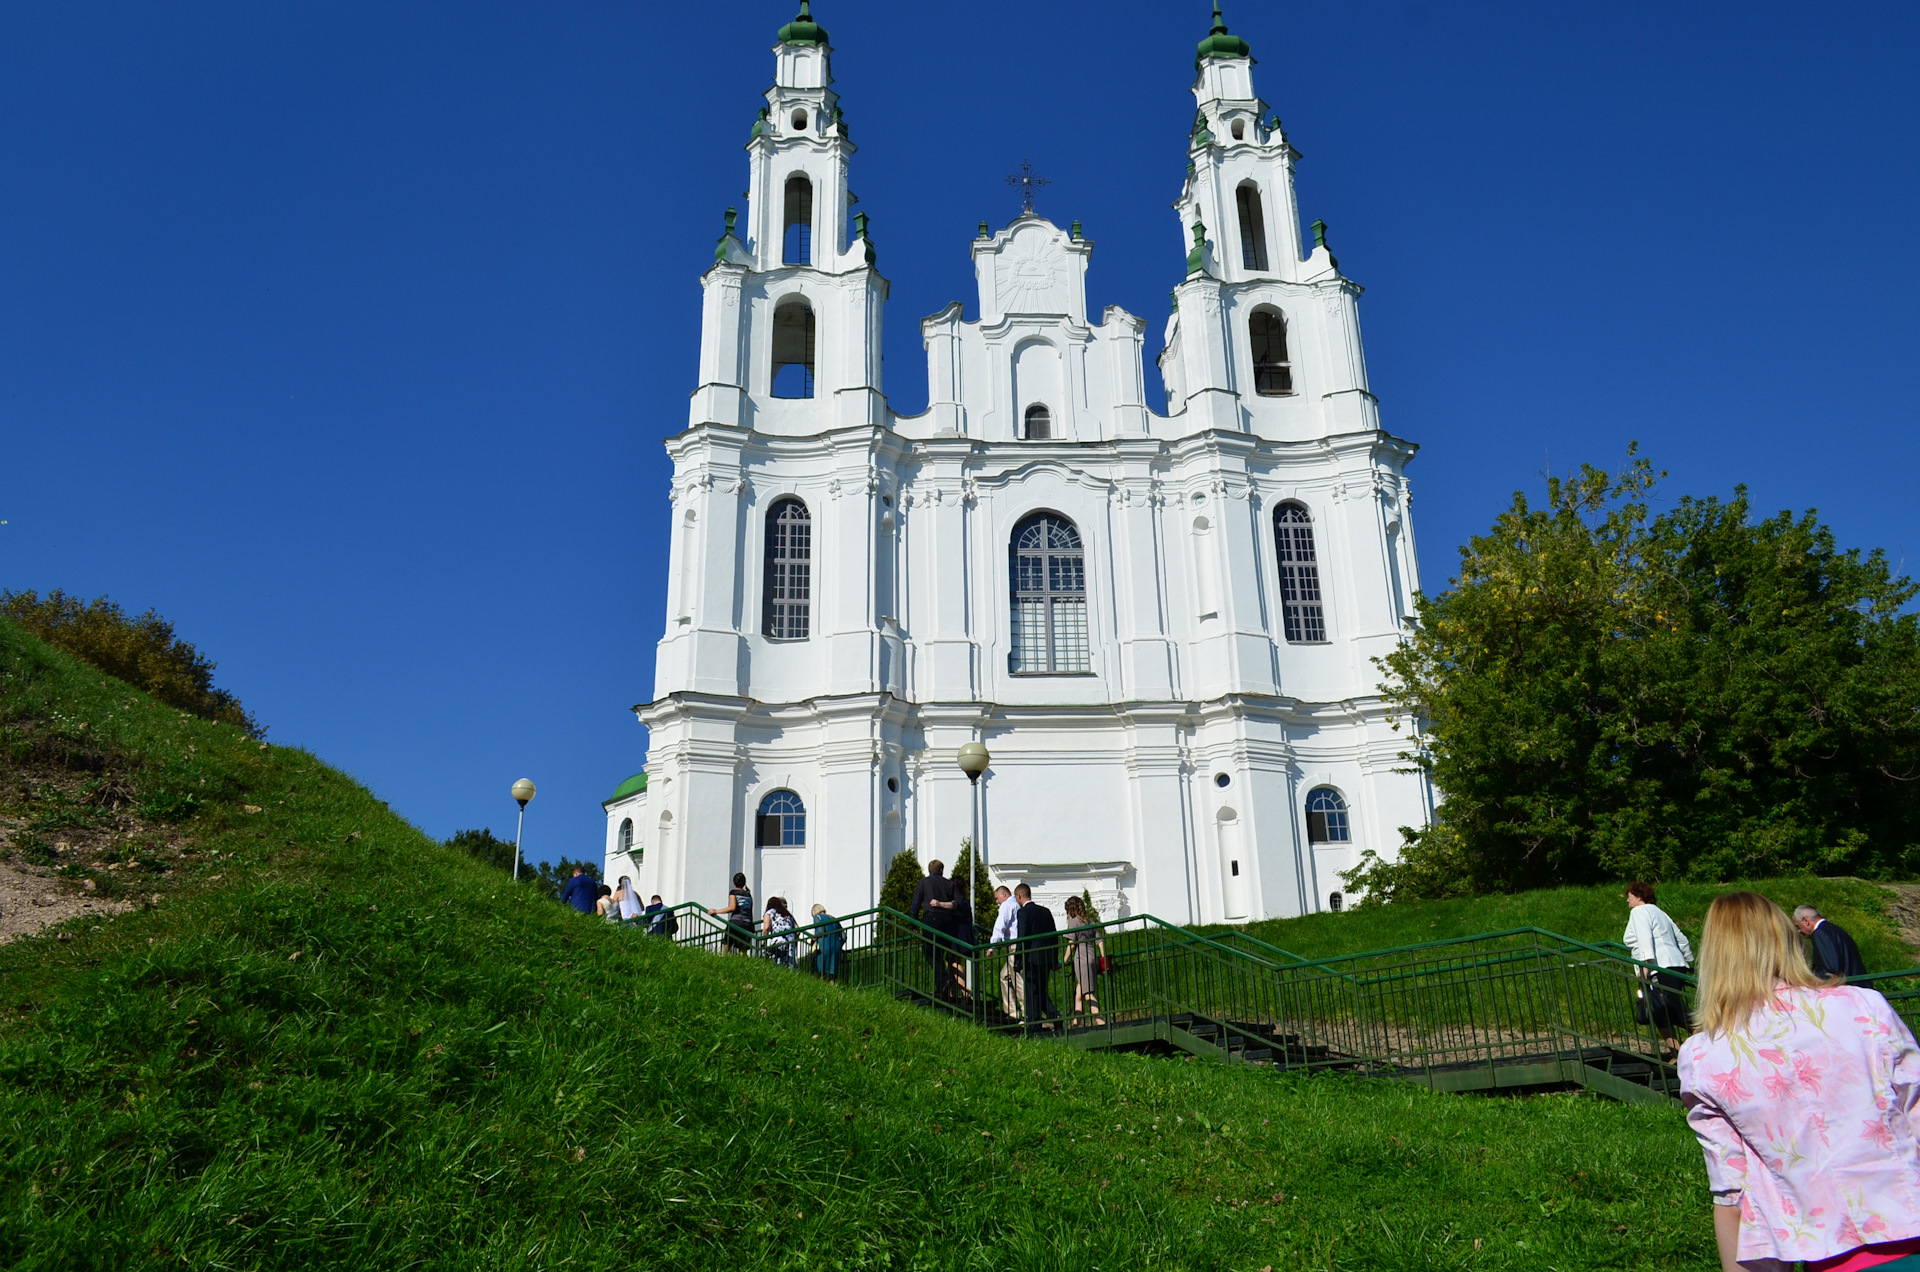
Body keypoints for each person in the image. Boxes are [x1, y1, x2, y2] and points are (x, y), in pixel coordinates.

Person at [1679, 891, 1920, 1272]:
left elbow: (1734, 1193)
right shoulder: (1864, 1007)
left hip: (1831, 1256)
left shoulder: (1705, 1056)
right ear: (1785, 939)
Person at [1623, 880, 1694, 1061]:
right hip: (1673, 963)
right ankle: (1678, 1054)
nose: (1627, 901)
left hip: (1658, 966)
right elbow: (1682, 939)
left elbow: (1645, 939)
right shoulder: (1661, 913)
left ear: (1638, 896)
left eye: (1629, 896)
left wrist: (1646, 966)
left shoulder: (1638, 912)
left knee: (1666, 1008)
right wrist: (1687, 959)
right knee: (1659, 1009)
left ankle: (1703, 1034)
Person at [910, 859, 963, 1001]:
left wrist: (913, 923)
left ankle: (944, 980)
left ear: (929, 870)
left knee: (931, 953)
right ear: (942, 870)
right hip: (948, 921)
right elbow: (958, 902)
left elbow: (916, 902)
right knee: (942, 951)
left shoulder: (924, 883)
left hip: (931, 919)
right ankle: (943, 986)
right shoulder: (950, 884)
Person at [1014, 884, 1060, 1033]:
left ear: (1019, 896)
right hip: (1046, 957)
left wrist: (1018, 960)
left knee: (1031, 990)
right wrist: (1054, 958)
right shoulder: (1045, 912)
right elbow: (1054, 936)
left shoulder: (1023, 913)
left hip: (1031, 958)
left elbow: (1022, 937)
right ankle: (1054, 1016)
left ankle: (1034, 1023)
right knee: (1041, 989)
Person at [1062, 894, 1107, 1027]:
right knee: (1079, 992)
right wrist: (1103, 959)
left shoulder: (1073, 922)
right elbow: (1100, 942)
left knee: (1088, 993)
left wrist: (1064, 961)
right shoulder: (1090, 922)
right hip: (1092, 956)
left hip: (1081, 959)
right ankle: (1076, 1022)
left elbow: (1072, 944)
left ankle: (1100, 1021)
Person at [1795, 905, 1869, 980]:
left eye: (1798, 926)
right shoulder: (1834, 930)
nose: (1799, 931)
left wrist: (1808, 979)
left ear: (1806, 921)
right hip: (1859, 984)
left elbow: (1830, 970)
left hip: (1848, 986)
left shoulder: (1820, 934)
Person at [989, 884, 1024, 1022]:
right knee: (1005, 976)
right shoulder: (1017, 904)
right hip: (1018, 944)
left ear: (1004, 895)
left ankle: (1021, 1012)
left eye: (997, 898)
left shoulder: (1006, 905)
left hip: (1013, 946)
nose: (997, 902)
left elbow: (1000, 925)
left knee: (1017, 979)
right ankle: (1011, 1011)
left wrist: (992, 946)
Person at [710, 872, 754, 953]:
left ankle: (724, 961)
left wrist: (716, 911)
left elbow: (732, 907)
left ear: (734, 882)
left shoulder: (733, 892)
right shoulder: (748, 895)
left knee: (727, 946)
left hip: (736, 922)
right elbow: (750, 912)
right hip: (747, 923)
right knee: (742, 950)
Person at [807, 903, 844, 982]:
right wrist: (839, 945)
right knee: (831, 975)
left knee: (820, 972)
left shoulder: (818, 917)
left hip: (824, 946)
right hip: (836, 948)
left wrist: (813, 939)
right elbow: (844, 936)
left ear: (814, 912)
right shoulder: (834, 919)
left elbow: (820, 931)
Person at [762, 896, 799, 967]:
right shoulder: (787, 913)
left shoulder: (769, 913)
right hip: (790, 941)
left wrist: (763, 941)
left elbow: (766, 928)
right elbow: (797, 930)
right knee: (789, 964)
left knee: (777, 962)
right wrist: (795, 939)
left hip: (778, 941)